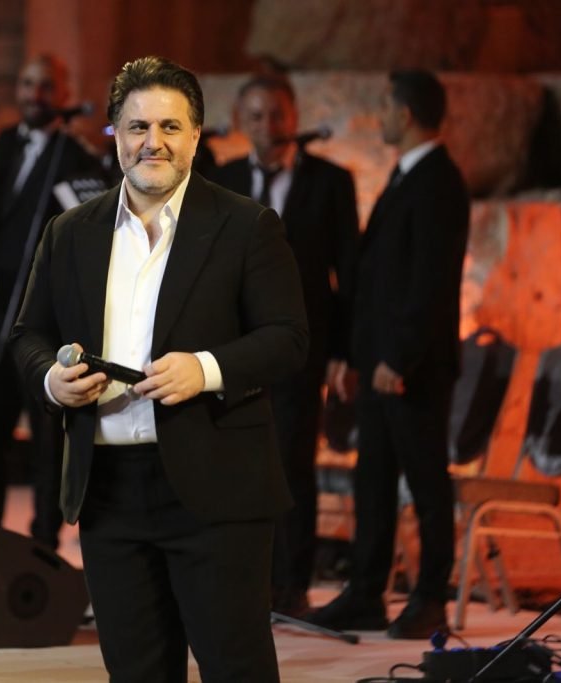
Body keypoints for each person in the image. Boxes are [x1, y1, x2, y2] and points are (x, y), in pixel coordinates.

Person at [10, 56, 309, 682]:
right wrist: (51, 381)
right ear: (115, 135)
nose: (154, 142)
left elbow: (288, 339)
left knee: (237, 670)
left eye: (171, 127)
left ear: (196, 136)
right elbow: (27, 334)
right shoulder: (70, 231)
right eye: (138, 126)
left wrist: (206, 368)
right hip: (108, 492)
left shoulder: (246, 225)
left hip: (216, 489)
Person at [306, 69, 470, 639]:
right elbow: (375, 278)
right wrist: (353, 354)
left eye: (385, 106)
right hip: (378, 365)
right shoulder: (405, 177)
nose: (380, 117)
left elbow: (429, 283)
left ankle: (430, 597)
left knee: (426, 482)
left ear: (405, 114)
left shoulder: (438, 183)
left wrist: (399, 359)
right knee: (373, 480)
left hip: (410, 370)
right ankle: (365, 592)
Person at [213, 74, 358, 617]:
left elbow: (349, 273)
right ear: (241, 121)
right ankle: (243, 579)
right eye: (256, 116)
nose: (268, 126)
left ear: (294, 117)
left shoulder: (331, 182)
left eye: (277, 114)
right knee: (237, 464)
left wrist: (346, 351)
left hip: (301, 346)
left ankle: (293, 583)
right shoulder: (223, 179)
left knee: (293, 462)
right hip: (235, 349)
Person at [0, 54, 101, 546]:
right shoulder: (6, 144)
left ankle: (43, 544)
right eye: (28, 83)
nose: (35, 95)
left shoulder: (74, 156)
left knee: (46, 437)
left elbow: (84, 232)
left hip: (42, 322)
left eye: (46, 86)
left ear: (64, 94)